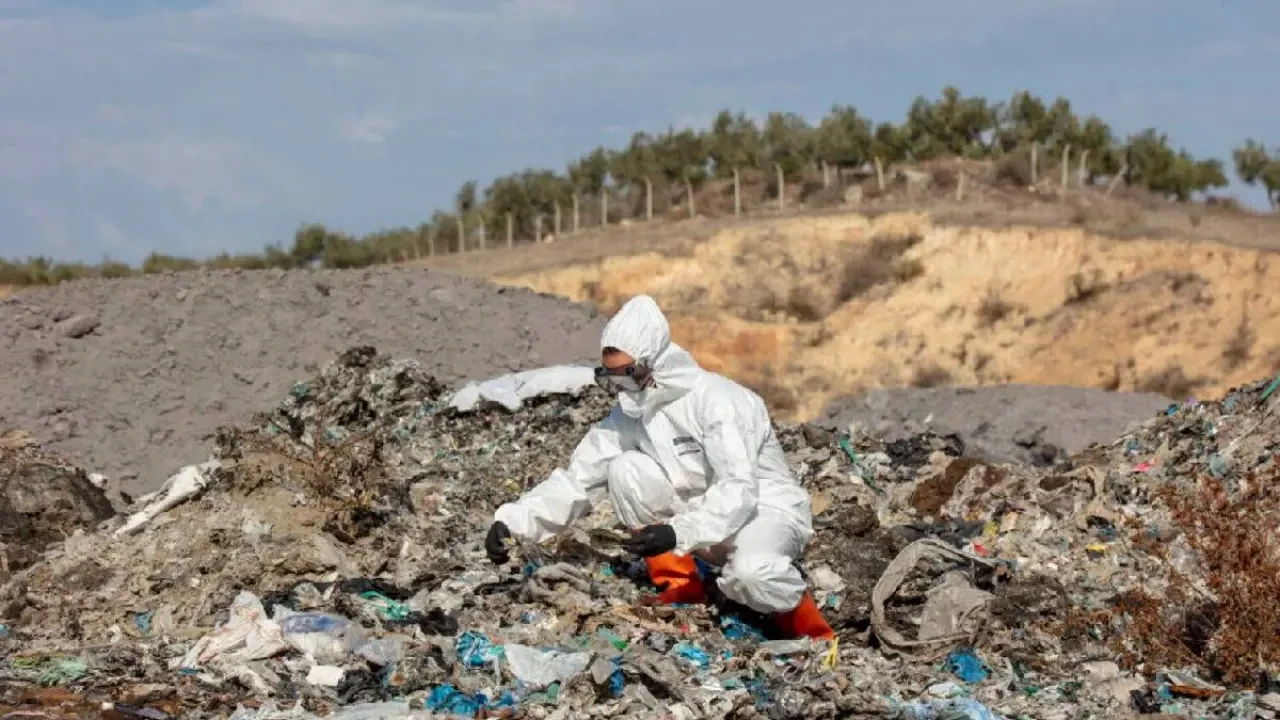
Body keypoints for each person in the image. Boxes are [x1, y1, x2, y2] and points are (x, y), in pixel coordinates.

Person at [484, 294, 833, 640]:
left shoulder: (719, 400)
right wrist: (514, 522)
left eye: (627, 375)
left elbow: (739, 488)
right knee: (624, 470)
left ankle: (812, 633)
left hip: (763, 513)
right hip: (696, 523)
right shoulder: (631, 414)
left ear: (655, 363)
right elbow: (578, 478)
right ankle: (682, 589)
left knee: (753, 574)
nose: (622, 388)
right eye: (613, 378)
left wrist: (678, 533)